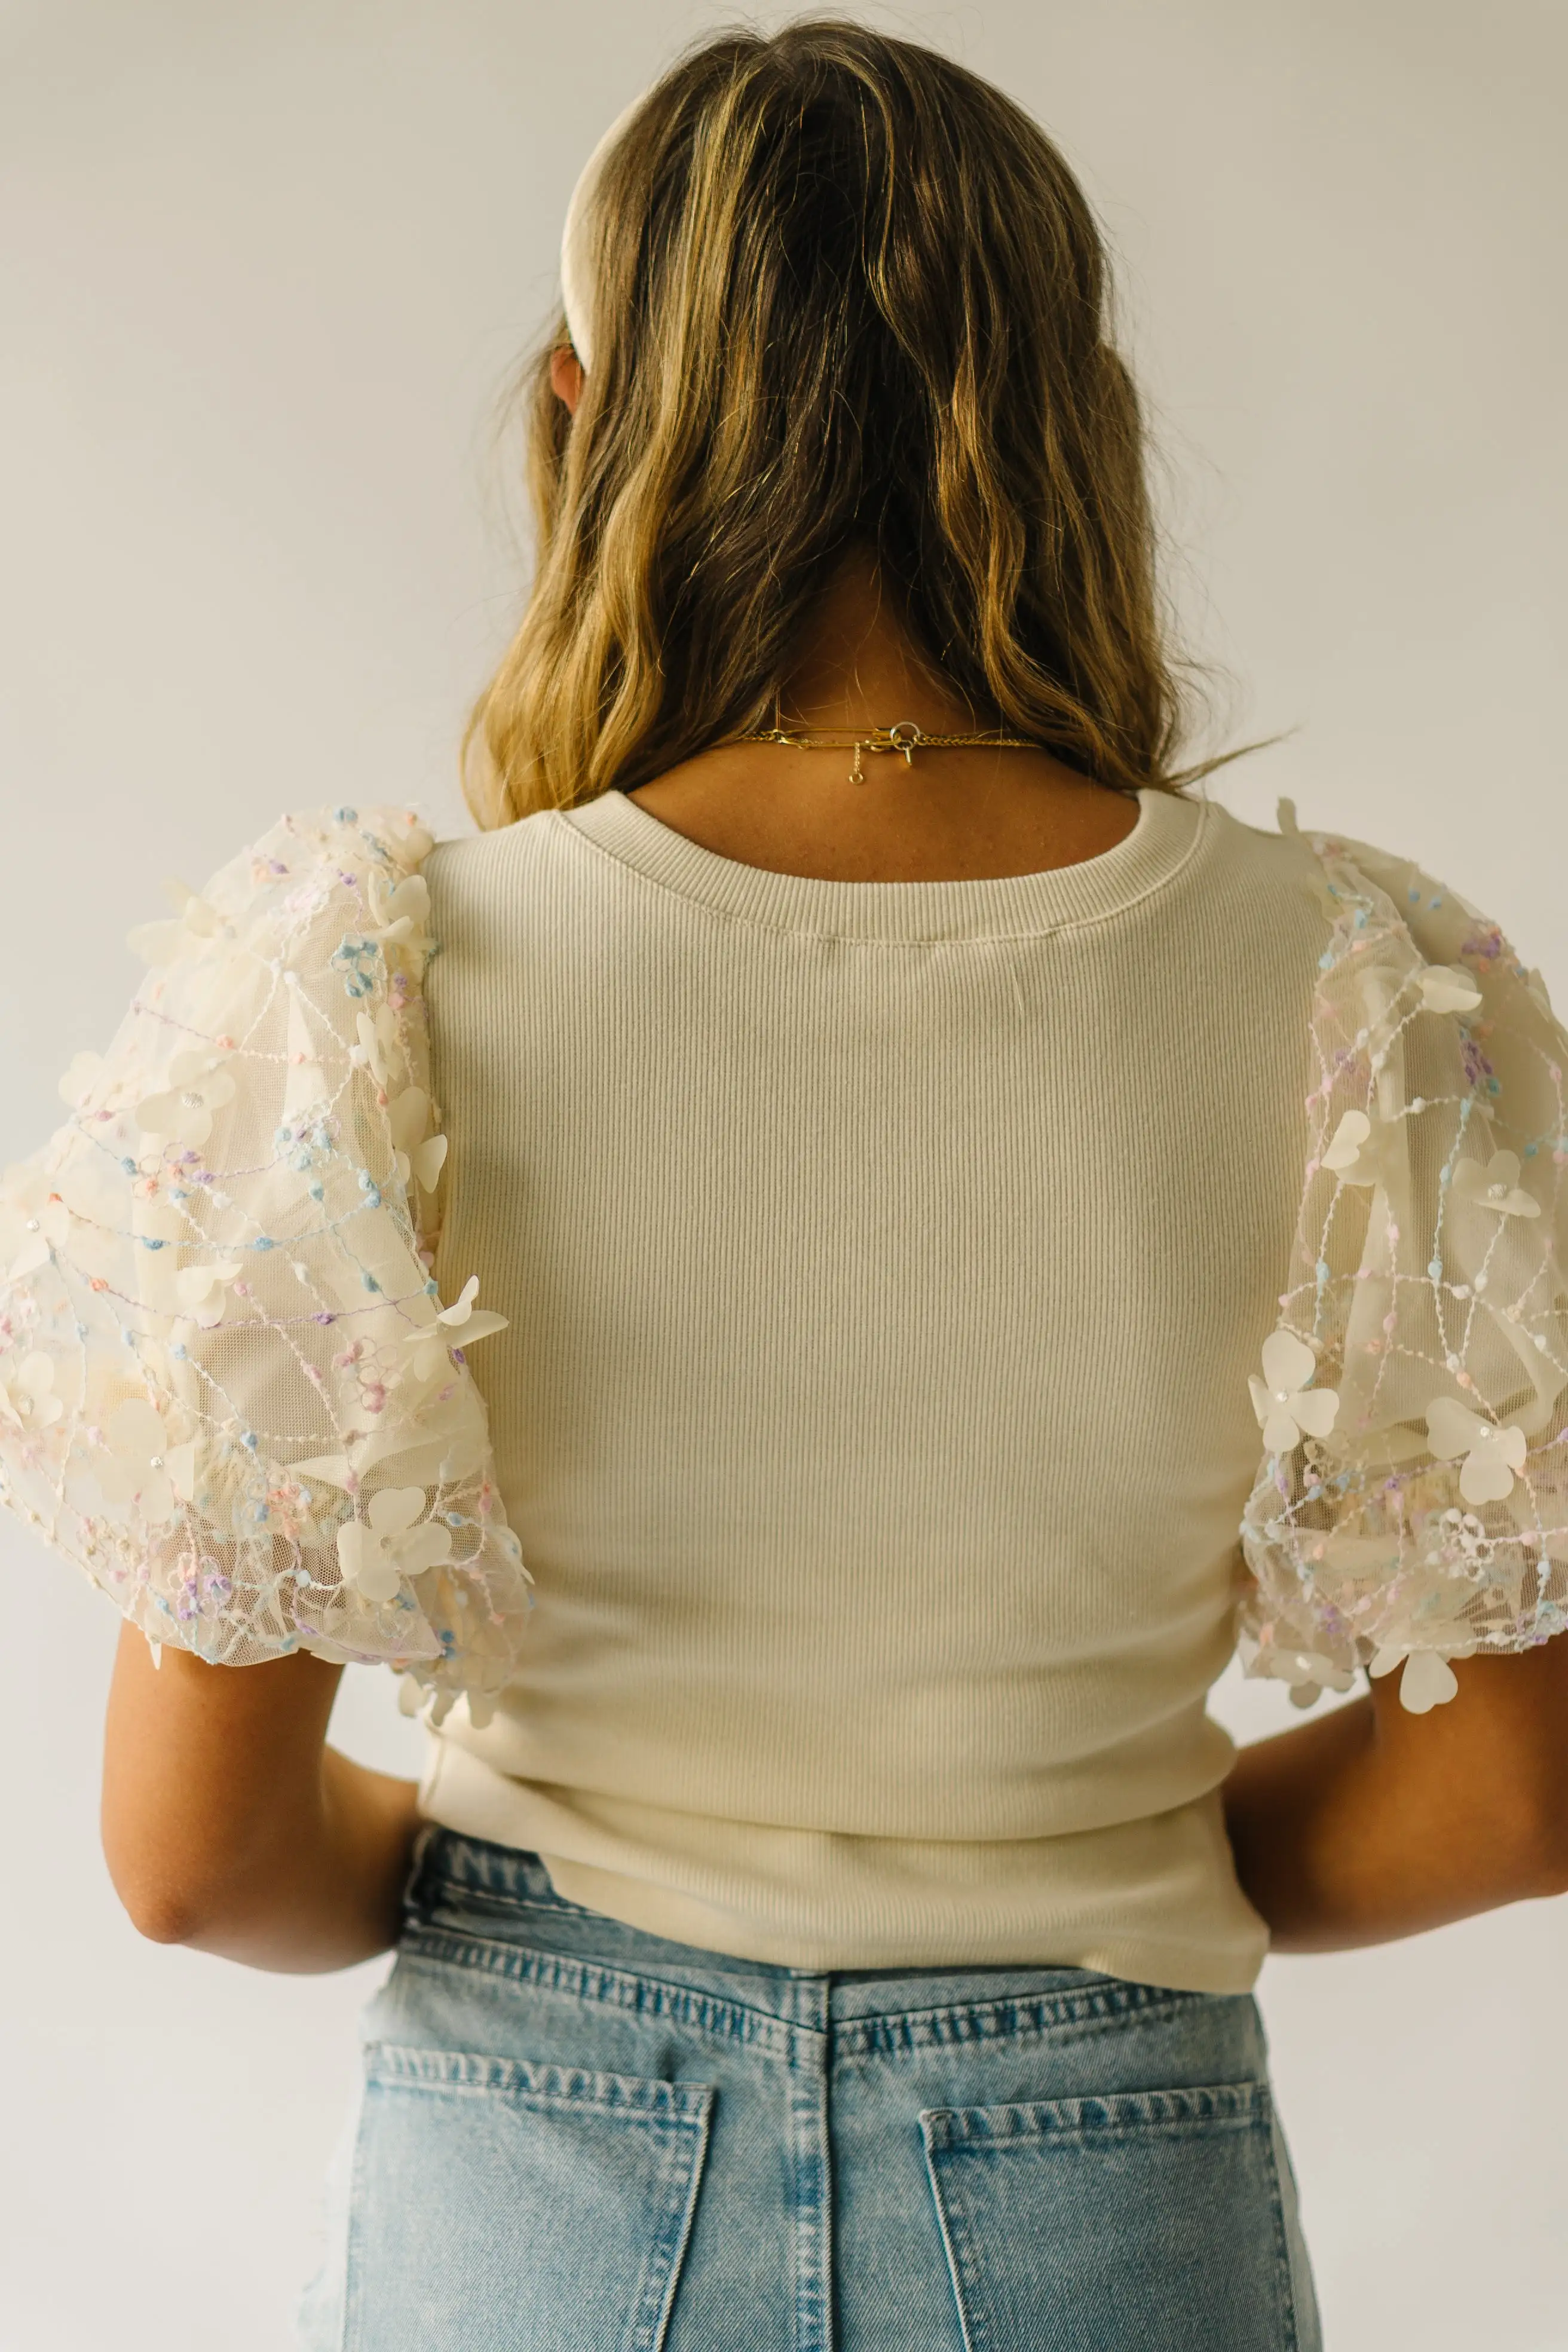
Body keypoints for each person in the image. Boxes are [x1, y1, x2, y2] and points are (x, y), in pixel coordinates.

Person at [4, 21, 1566, 2351]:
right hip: (1096, 2149)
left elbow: (191, 1858)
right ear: (1071, 425)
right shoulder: (1350, 984)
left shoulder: (369, 990)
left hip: (533, 2162)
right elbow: (1510, 1796)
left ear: (577, 418)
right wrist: (1062, 1867)